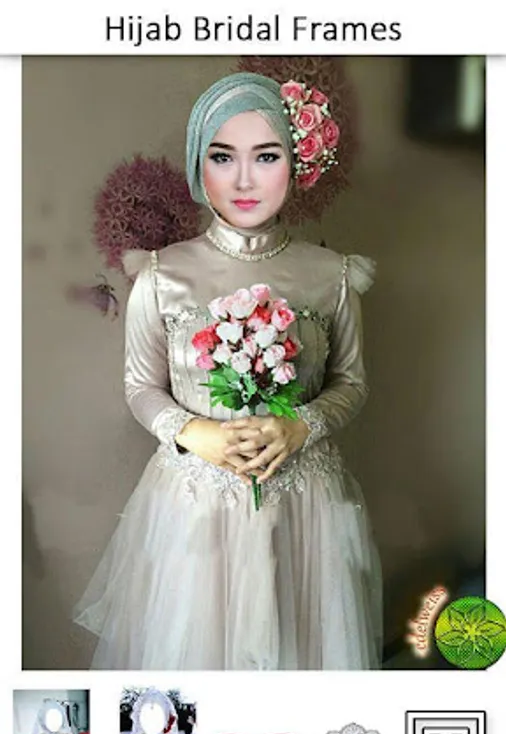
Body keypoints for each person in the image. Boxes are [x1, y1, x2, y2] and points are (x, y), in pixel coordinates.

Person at [73, 71, 382, 670]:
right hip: (194, 505)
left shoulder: (333, 276)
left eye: (266, 156)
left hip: (303, 505)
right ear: (199, 166)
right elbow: (141, 386)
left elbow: (352, 382)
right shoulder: (160, 274)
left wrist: (302, 426)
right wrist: (195, 433)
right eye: (222, 157)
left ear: (295, 162)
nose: (244, 179)